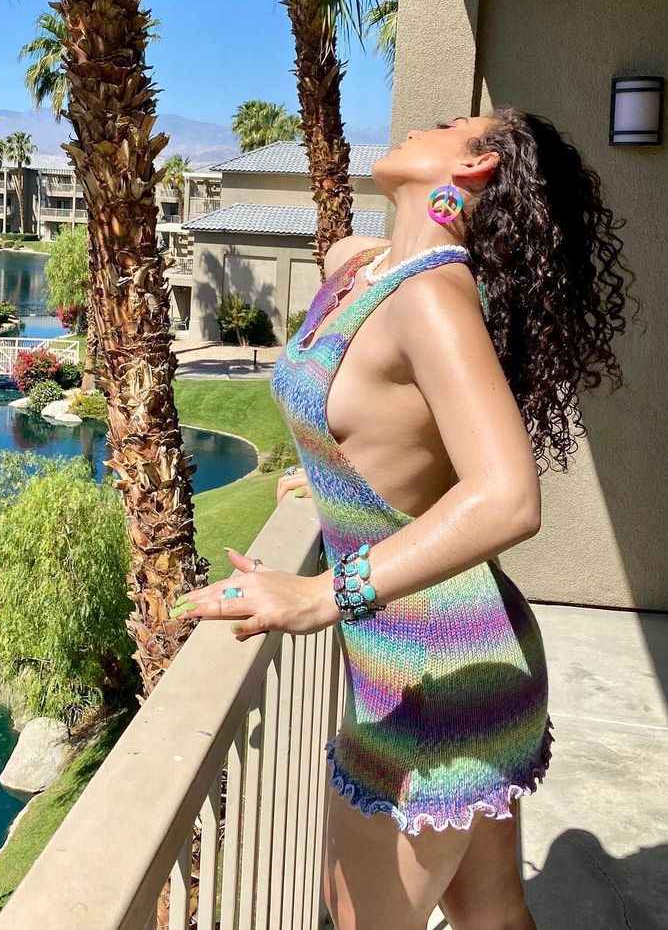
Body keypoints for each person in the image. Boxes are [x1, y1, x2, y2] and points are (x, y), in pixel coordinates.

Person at [170, 107, 634, 930]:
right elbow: (368, 363)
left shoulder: (431, 298)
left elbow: (509, 496)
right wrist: (334, 477)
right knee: (493, 916)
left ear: (477, 167)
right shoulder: (375, 268)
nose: (423, 125)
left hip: (426, 678)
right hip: (464, 659)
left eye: (452, 124)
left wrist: (321, 595)